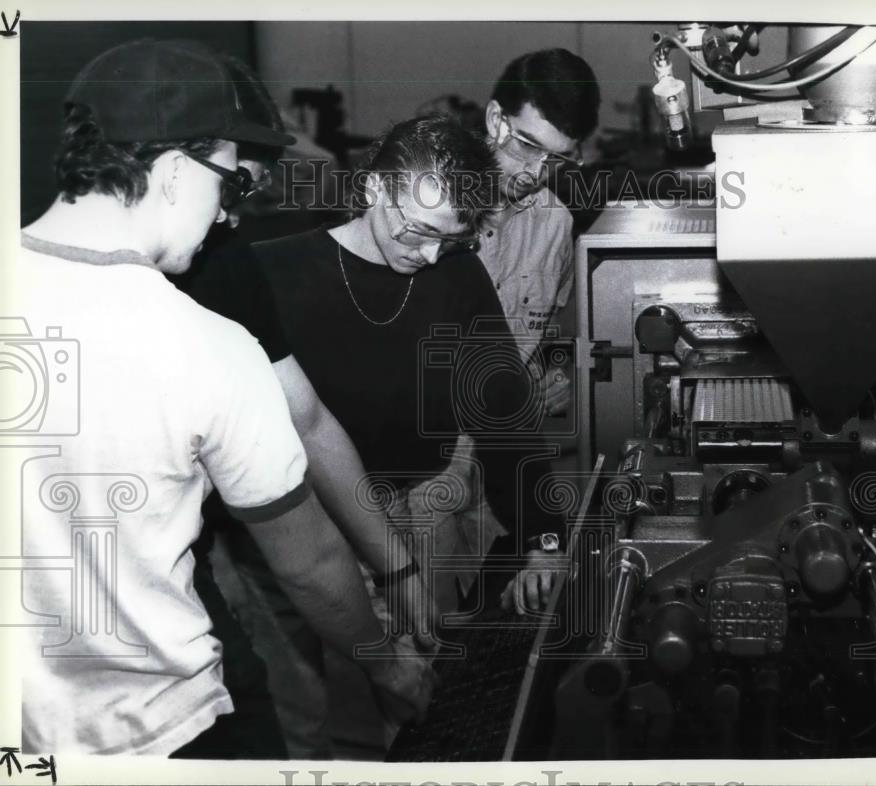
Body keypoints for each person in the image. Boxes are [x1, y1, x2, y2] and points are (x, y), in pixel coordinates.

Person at [18, 38, 432, 756]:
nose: (226, 218)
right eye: (229, 187)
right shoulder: (206, 346)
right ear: (177, 172)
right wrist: (387, 660)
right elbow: (310, 566)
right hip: (167, 728)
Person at [190, 114, 568, 753]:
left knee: (411, 707)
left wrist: (544, 538)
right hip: (283, 532)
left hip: (414, 516)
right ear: (374, 190)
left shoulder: (456, 276)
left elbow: (502, 411)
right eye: (417, 231)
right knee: (299, 718)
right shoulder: (266, 272)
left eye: (446, 240)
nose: (425, 257)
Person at [480, 48, 600, 419]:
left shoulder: (555, 223)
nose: (536, 173)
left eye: (557, 159)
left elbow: (551, 330)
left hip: (506, 437)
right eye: (528, 146)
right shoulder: (425, 208)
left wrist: (557, 375)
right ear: (496, 119)